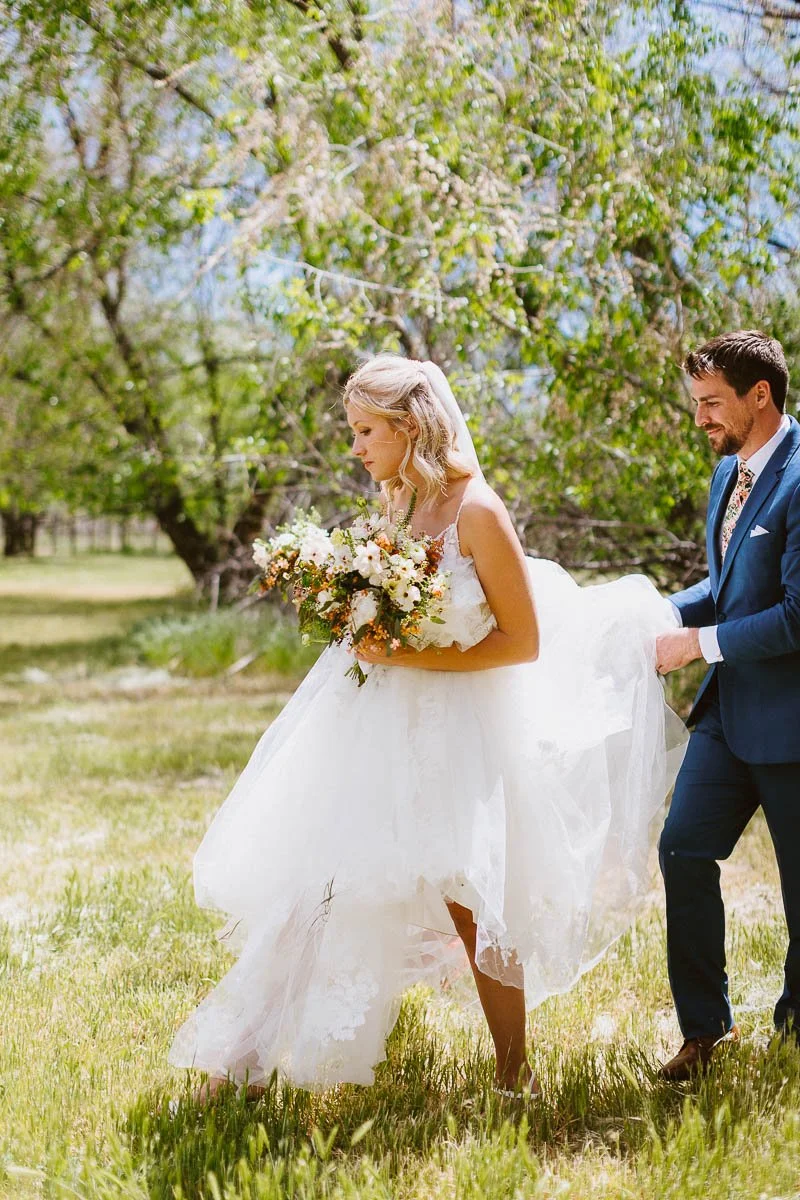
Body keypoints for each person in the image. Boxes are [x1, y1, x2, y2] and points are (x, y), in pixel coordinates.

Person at [170, 355, 685, 1101]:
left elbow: (521, 641)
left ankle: (514, 1075)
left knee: (472, 900)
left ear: (409, 426)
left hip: (460, 728)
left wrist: (406, 652)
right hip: (373, 721)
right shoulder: (394, 502)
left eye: (365, 430)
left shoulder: (479, 512)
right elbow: (385, 614)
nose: (355, 447)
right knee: (317, 882)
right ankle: (242, 1061)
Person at [655, 330, 800, 1081]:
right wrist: (654, 613)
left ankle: (795, 1033)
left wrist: (698, 645)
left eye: (711, 402)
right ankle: (705, 1032)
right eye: (696, 402)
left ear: (760, 395)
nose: (700, 417)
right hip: (726, 712)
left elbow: (797, 615)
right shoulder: (727, 473)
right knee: (682, 847)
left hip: (792, 719)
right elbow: (727, 586)